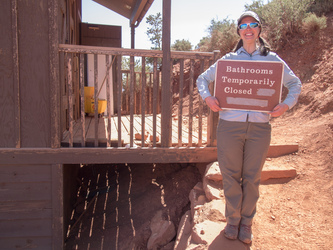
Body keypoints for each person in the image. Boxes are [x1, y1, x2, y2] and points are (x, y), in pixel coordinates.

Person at [196, 11, 301, 244]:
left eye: (253, 24)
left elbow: (295, 84)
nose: (248, 28)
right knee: (231, 176)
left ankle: (247, 223)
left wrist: (286, 104)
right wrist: (208, 98)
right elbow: (202, 79)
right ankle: (232, 221)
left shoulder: (273, 60)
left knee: (252, 177)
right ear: (238, 31)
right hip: (229, 127)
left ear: (259, 29)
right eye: (243, 25)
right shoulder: (228, 60)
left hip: (259, 129)